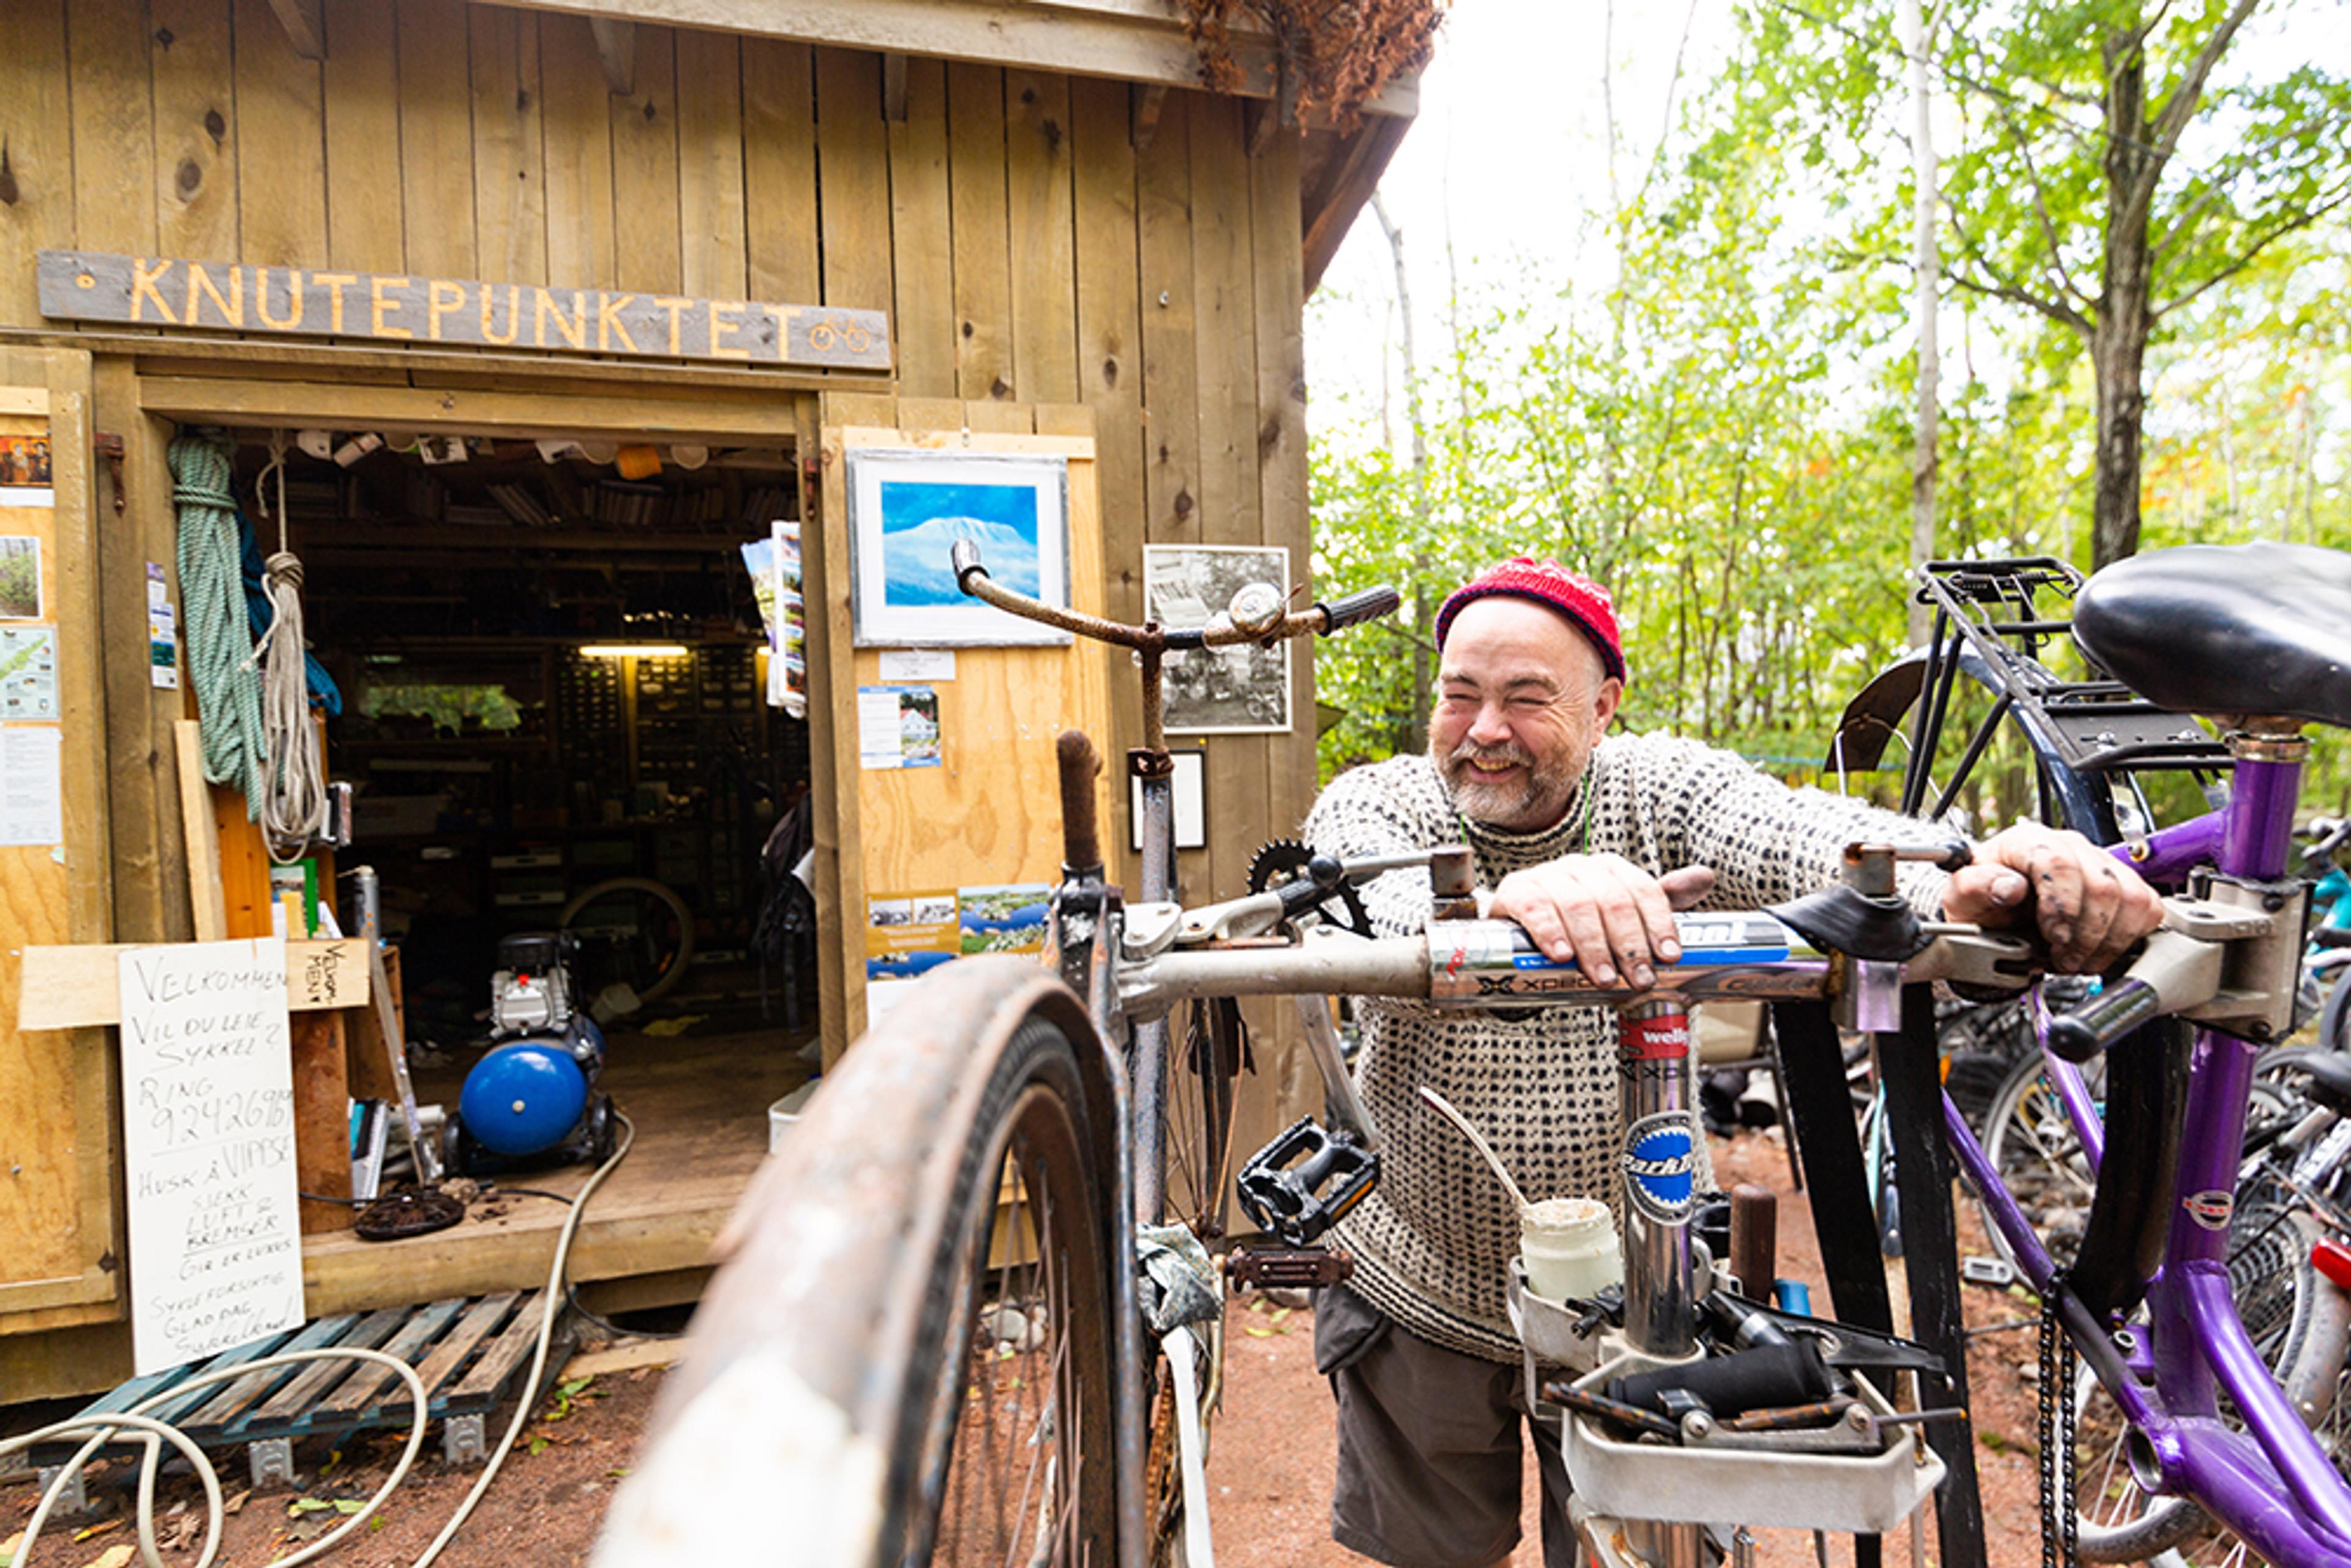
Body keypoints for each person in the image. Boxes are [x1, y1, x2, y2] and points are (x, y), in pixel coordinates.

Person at [1301, 555, 2162, 1568]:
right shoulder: (1387, 801)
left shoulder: (1659, 786)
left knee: (1653, 1547)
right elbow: (1352, 893)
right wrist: (1501, 909)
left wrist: (1973, 873)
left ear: (1603, 704)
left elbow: (1801, 832)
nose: (1485, 729)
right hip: (1424, 1279)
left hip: (1645, 1290)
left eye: (1527, 699)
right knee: (1431, 1556)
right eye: (1461, 695)